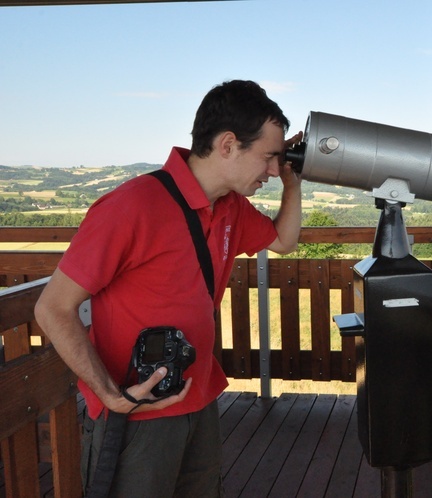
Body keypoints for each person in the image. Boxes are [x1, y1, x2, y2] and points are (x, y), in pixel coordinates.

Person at [34, 79, 303, 496]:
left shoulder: (230, 207)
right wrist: (110, 394)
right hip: (136, 415)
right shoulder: (133, 206)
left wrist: (293, 184)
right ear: (228, 144)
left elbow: (283, 241)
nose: (273, 169)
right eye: (269, 157)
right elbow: (52, 308)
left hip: (199, 400)